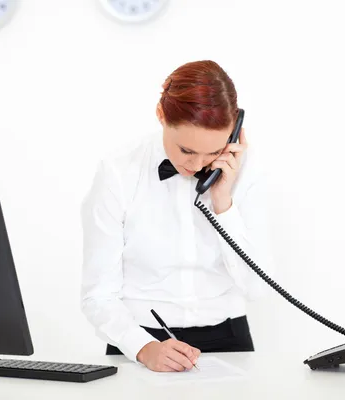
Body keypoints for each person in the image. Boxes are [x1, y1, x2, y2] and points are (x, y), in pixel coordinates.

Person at [80, 60, 273, 373]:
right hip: (140, 343)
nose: (198, 166)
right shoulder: (118, 172)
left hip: (229, 341)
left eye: (212, 152)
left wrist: (223, 201)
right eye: (186, 151)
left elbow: (257, 287)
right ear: (161, 116)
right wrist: (143, 348)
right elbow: (98, 294)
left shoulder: (245, 169)